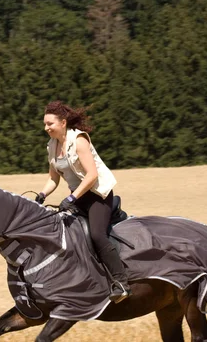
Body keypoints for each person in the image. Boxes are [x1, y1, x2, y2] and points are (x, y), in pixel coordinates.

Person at [35, 101, 131, 303]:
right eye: (44, 124)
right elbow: (54, 178)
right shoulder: (52, 145)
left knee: (96, 235)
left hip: (97, 195)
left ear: (63, 122)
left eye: (50, 123)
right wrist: (42, 194)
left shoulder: (79, 140)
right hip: (78, 197)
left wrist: (71, 197)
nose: (46, 128)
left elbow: (92, 175)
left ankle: (121, 283)